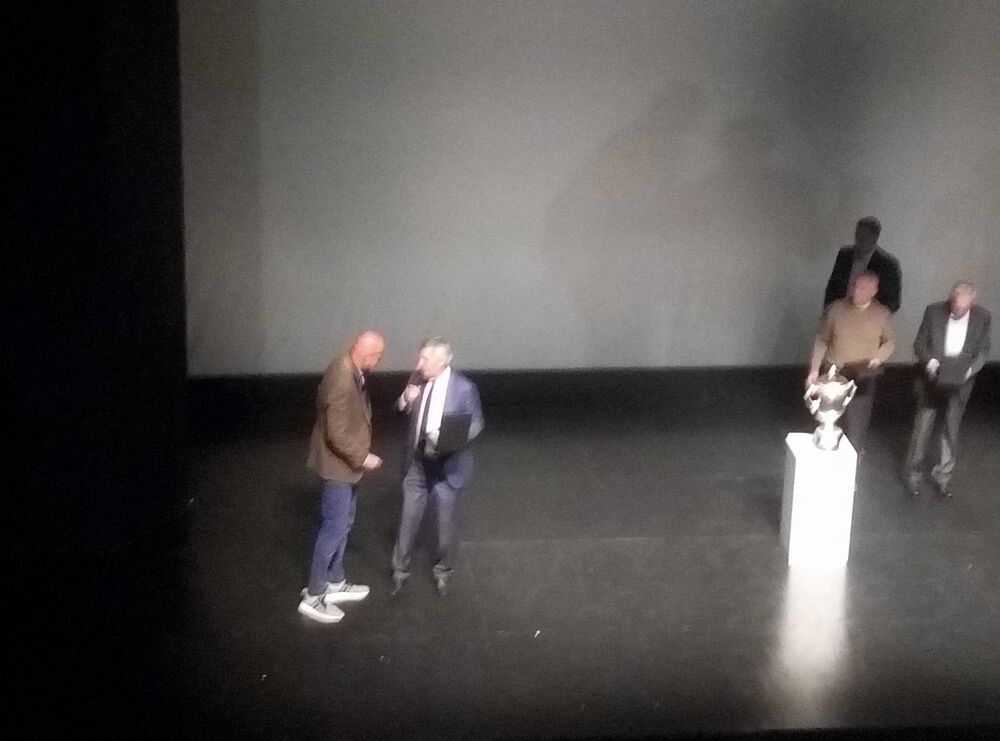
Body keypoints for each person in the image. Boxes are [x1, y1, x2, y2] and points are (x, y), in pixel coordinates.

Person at [298, 331, 385, 623]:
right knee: (333, 529)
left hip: (345, 468)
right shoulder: (341, 379)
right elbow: (336, 434)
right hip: (338, 468)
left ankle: (334, 580)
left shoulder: (348, 367)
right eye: (377, 356)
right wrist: (363, 457)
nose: (379, 362)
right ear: (366, 354)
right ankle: (314, 595)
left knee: (343, 523)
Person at [391, 338, 484, 597]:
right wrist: (405, 399)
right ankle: (399, 570)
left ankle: (443, 570)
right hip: (417, 463)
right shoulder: (417, 380)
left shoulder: (464, 388)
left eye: (425, 359)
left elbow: (476, 423)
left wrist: (449, 439)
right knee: (407, 519)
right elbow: (399, 411)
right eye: (419, 358)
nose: (418, 364)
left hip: (447, 465)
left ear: (442, 361)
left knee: (446, 524)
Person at [904, 282, 991, 499]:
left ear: (972, 304)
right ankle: (913, 476)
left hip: (961, 378)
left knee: (951, 429)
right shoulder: (933, 311)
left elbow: (983, 350)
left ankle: (942, 478)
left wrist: (970, 370)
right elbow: (919, 343)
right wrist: (930, 362)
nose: (957, 311)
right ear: (950, 299)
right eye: (955, 305)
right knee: (923, 426)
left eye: (963, 308)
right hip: (931, 377)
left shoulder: (983, 317)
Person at [808, 271, 895, 456]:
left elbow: (889, 342)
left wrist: (878, 357)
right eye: (855, 286)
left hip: (862, 376)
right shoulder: (836, 309)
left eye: (863, 288)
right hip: (834, 374)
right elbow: (822, 340)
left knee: (857, 426)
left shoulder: (881, 314)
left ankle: (853, 462)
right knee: (830, 421)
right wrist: (814, 370)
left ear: (874, 292)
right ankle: (827, 457)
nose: (857, 291)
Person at [824, 216, 902, 313]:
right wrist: (828, 311)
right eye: (858, 235)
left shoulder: (888, 265)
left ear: (875, 238)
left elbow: (893, 303)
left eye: (864, 237)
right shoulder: (844, 255)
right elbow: (832, 288)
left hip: (869, 318)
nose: (859, 241)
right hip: (839, 313)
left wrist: (868, 312)